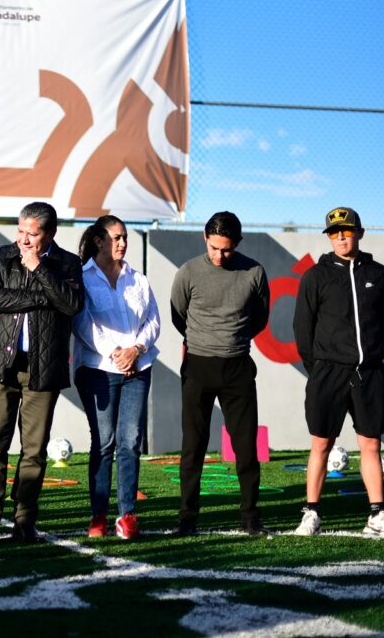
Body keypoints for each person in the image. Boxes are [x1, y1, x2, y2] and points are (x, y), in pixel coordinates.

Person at [0, 201, 83, 544]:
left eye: (31, 234)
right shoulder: (1, 255)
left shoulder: (68, 263)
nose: (23, 240)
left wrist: (39, 270)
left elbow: (71, 304)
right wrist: (39, 297)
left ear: (49, 234)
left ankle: (24, 522)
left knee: (33, 450)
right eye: (20, 231)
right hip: (1, 365)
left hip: (44, 368)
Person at [293, 206, 384, 537]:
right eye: (334, 232)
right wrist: (321, 368)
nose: (341, 236)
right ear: (328, 237)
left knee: (371, 444)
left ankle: (377, 515)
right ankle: (311, 513)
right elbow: (303, 329)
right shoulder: (316, 276)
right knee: (321, 444)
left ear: (359, 232)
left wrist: (369, 357)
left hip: (368, 373)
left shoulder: (379, 274)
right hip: (328, 374)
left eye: (347, 230)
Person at [169, 211, 270, 536]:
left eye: (226, 249)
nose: (219, 255)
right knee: (193, 446)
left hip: (237, 366)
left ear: (237, 244)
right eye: (213, 248)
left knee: (245, 448)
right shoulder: (188, 272)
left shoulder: (254, 271)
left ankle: (250, 517)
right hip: (197, 365)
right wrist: (205, 339)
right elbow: (177, 315)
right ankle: (187, 518)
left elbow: (259, 319)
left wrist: (232, 340)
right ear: (205, 238)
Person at [72, 216, 160, 540]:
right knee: (104, 441)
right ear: (99, 241)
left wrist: (136, 348)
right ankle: (98, 516)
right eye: (116, 238)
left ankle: (127, 516)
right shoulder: (82, 277)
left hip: (138, 367)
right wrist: (117, 353)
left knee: (130, 441)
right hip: (98, 369)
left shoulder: (138, 279)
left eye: (125, 238)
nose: (122, 244)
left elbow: (153, 319)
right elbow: (82, 324)